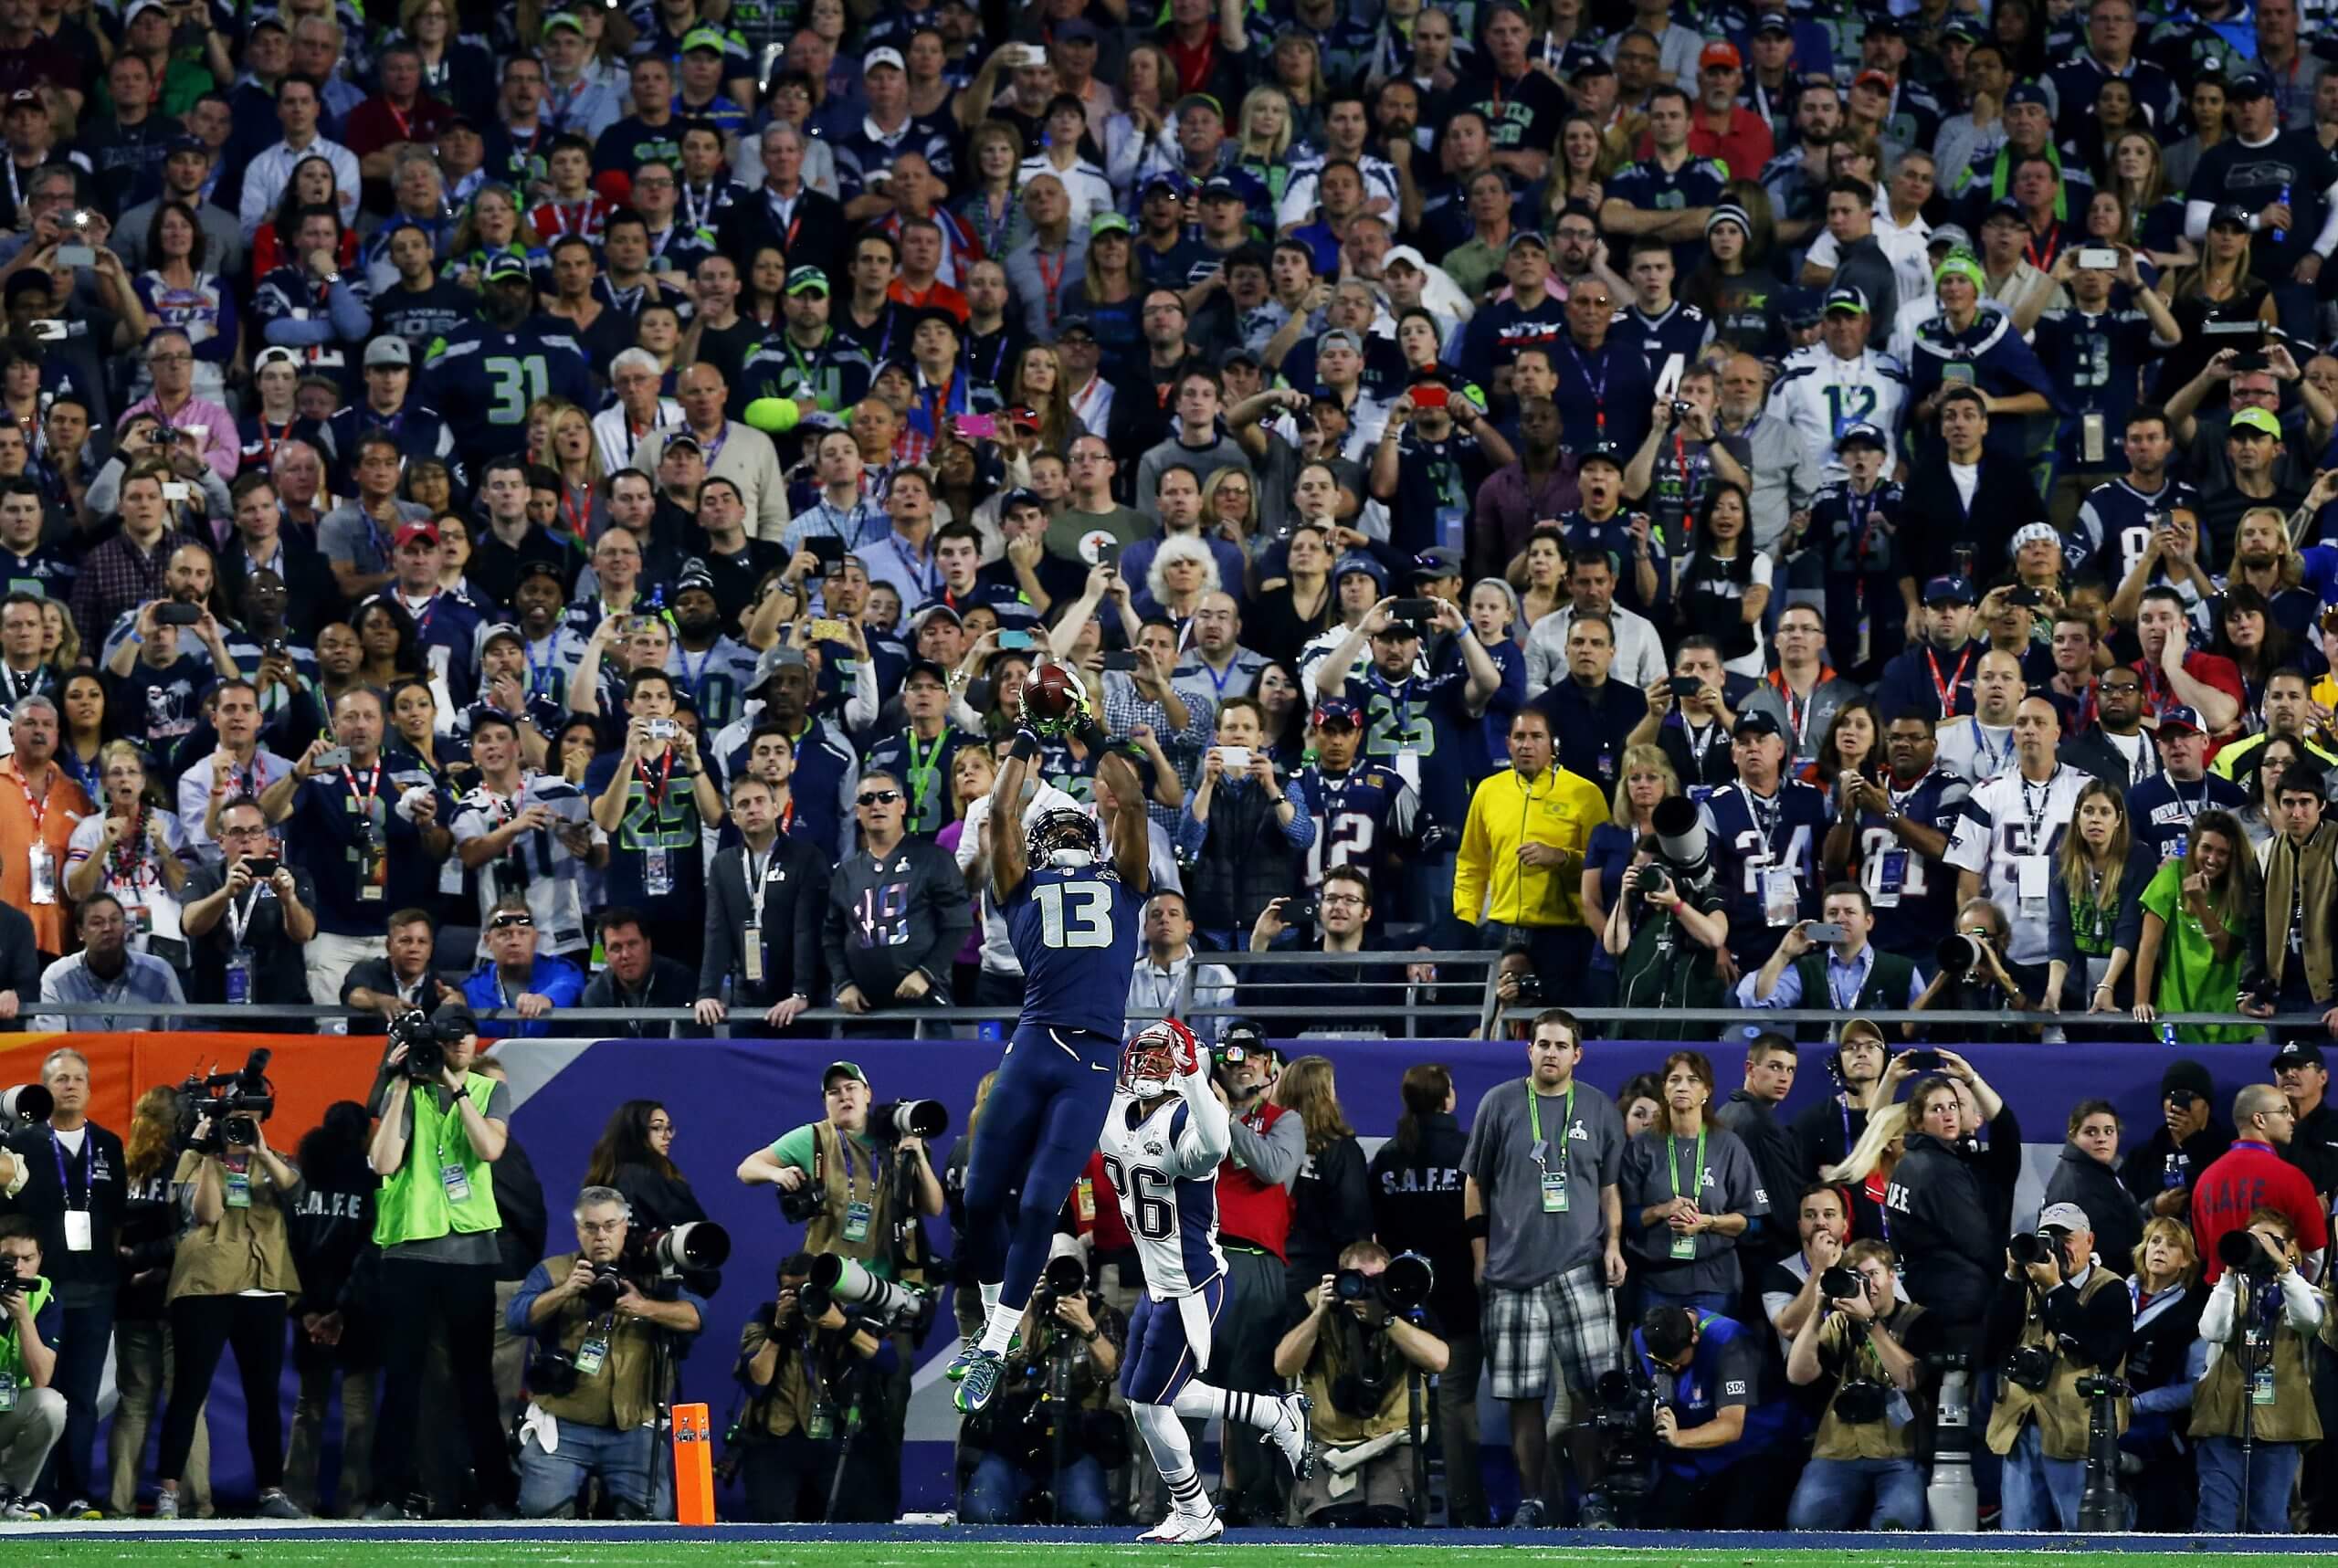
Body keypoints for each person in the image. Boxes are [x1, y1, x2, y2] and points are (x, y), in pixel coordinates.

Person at [953, 728, 1153, 1412]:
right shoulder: (1020, 878)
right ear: (1039, 841)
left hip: (1092, 1054)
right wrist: (1024, 744)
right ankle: (993, 1329)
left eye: (1078, 820)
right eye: (1056, 821)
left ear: (1094, 835)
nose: (1067, 827)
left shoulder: (1123, 880)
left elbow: (1131, 798)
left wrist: (1089, 736)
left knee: (1041, 1201)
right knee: (979, 1198)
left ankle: (998, 1335)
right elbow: (1001, 811)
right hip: (1035, 1040)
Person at [1102, 1020, 1311, 1542]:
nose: (1150, 1065)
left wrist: (1195, 1076)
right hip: (1157, 1283)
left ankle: (1195, 1509)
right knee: (1143, 1395)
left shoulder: (1185, 1122)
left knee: (1152, 1403)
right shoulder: (1114, 1115)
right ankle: (1271, 1412)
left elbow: (1217, 1144)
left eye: (1163, 1057)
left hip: (1191, 1284)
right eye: (1145, 1055)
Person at [1461, 1009, 1627, 1528]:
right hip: (1511, 1275)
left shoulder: (1599, 1108)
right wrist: (1481, 1258)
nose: (1550, 1052)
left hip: (1581, 1268)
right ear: (1528, 1050)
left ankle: (1594, 1499)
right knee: (1523, 1397)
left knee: (1590, 1394)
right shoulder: (1500, 1103)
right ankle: (1531, 1500)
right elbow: (1474, 1185)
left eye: (1561, 1045)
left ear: (1577, 1054)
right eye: (1542, 1044)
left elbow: (1609, 1189)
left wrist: (1614, 1245)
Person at [363, 1006, 515, 1520]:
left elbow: (489, 1148)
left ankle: (494, 1493)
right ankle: (389, 1493)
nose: (455, 1048)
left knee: (475, 1380)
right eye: (446, 1042)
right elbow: (383, 1162)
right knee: (403, 1378)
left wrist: (455, 1085)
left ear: (473, 1041)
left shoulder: (491, 1090)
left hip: (470, 1253)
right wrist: (403, 1082)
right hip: (409, 1250)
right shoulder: (404, 1089)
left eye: (462, 1039)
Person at [506, 1186, 707, 1519]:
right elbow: (516, 1318)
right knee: (542, 1512)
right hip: (566, 1424)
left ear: (626, 1227)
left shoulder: (651, 1273)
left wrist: (645, 1307)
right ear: (578, 1230)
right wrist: (565, 1292)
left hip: (633, 1426)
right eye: (591, 1227)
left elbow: (698, 1317)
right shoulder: (555, 1271)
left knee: (651, 1518)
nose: (601, 1236)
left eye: (611, 1226)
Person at [149, 1100, 306, 1521]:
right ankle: (168, 1490)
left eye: (248, 1123)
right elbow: (205, 1214)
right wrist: (208, 1157)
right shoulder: (194, 1160)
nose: (240, 1131)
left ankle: (271, 1490)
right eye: (233, 1125)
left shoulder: (276, 1161)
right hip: (205, 1286)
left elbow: (294, 1192)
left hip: (265, 1286)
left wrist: (261, 1153)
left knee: (264, 1396)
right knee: (188, 1391)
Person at [1, 1049, 121, 1521]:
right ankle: (36, 1492)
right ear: (44, 1088)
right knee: (40, 1390)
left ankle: (77, 1492)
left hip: (95, 1288)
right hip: (37, 1286)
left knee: (83, 1398)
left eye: (78, 1079)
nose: (69, 1085)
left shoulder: (109, 1144)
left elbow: (114, 1222)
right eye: (59, 1079)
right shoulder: (23, 1142)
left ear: (90, 1089)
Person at [1366, 1063, 1484, 1527]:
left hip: (1403, 1299)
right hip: (1460, 1296)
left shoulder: (1391, 1158)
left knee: (1403, 1404)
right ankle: (1467, 1510)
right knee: (1456, 1404)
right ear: (1448, 1100)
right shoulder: (1465, 1152)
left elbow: (1377, 1233)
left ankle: (1401, 1505)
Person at [1272, 1237, 1450, 1527]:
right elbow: (1283, 1365)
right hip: (1330, 1442)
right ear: (1341, 1278)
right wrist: (1319, 1314)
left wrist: (1389, 1320)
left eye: (1377, 1280)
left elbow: (1439, 1360)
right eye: (1358, 1280)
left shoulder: (1405, 1301)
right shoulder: (1317, 1303)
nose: (1368, 1290)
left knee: (1388, 1518)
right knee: (1333, 1520)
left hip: (1392, 1439)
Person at [1982, 1200, 2135, 1531]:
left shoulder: (2111, 1289)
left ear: (2089, 1241)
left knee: (2081, 1539)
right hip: (2022, 1426)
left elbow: (2099, 1351)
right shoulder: (2025, 1283)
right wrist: (2011, 1278)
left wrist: (2056, 1288)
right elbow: (1990, 1344)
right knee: (2018, 1541)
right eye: (2047, 1239)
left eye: (2065, 1239)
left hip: (2078, 1436)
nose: (2056, 1248)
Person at [1783, 1238, 1939, 1529]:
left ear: (1891, 1276)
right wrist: (1818, 1311)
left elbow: (1910, 1379)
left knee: (1897, 1525)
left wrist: (1870, 1323)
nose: (1868, 1285)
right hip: (1838, 1451)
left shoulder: (1919, 1320)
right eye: (1858, 1278)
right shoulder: (1838, 1323)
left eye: (1873, 1274)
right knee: (1804, 1525)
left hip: (1900, 1455)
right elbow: (1797, 1375)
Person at [2189, 1208, 2323, 1532]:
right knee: (2214, 1518)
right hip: (2223, 1416)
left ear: (2291, 1247)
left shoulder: (2307, 1293)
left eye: (2273, 1241)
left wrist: (2284, 1271)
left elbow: (2308, 1319)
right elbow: (2213, 1331)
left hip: (2282, 1423)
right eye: (2256, 1240)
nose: (2263, 1249)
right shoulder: (2229, 1290)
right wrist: (2228, 1275)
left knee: (2268, 1520)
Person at [1453, 707, 1608, 981]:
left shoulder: (1585, 793)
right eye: (1519, 736)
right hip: (1500, 928)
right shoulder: (1488, 791)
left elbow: (1605, 865)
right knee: (1496, 1017)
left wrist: (1561, 857)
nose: (1526, 745)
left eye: (1537, 736)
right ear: (1507, 744)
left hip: (1563, 932)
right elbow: (1471, 862)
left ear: (1553, 744)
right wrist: (1465, 918)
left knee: (1557, 1016)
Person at [1619, 1050, 1768, 1318]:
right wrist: (1661, 1211)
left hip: (1715, 1283)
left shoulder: (1728, 1146)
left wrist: (1709, 1222)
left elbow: (1754, 1223)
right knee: (1657, 1359)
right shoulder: (1642, 1146)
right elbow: (1625, 1218)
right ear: (1664, 1090)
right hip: (1656, 1282)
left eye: (1693, 1080)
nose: (1683, 1086)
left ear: (1706, 1091)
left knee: (1714, 1357)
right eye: (1674, 1079)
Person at [1627, 1302, 1798, 1527]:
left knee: (1733, 1528)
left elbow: (1732, 1426)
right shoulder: (1644, 1337)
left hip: (1751, 1447)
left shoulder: (1729, 1341)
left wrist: (1679, 1438)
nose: (1674, 1370)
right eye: (1663, 1364)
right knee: (1655, 1526)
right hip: (1693, 1456)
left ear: (1695, 1337)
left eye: (1678, 1362)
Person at [2192, 1084, 2330, 1284]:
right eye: (2284, 1111)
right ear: (2260, 1119)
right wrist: (2297, 1293)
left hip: (2218, 1302)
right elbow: (2314, 1256)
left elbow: (2204, 1253)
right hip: (2276, 1303)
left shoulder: (2205, 1180)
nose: (2292, 1120)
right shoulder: (2293, 1178)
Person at [33, 895, 187, 1032]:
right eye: (97, 923)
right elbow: (51, 1045)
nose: (107, 928)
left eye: (114, 920)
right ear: (81, 932)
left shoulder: (159, 973)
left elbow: (181, 1036)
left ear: (126, 927)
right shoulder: (58, 977)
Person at [0, 1219, 64, 1521]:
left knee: (50, 1405)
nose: (18, 1269)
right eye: (9, 1259)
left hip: (8, 1407)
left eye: (28, 1259)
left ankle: (11, 1492)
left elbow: (41, 1379)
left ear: (39, 1259)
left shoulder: (45, 1296)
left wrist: (23, 1319)